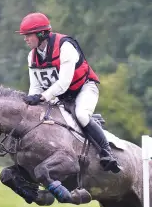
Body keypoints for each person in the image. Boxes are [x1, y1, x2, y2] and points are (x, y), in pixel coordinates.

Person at [17, 12, 121, 173]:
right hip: (59, 96)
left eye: (28, 35)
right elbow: (36, 86)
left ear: (40, 33)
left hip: (84, 88)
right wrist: (32, 103)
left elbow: (64, 83)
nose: (25, 39)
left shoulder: (65, 47)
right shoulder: (32, 56)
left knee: (81, 115)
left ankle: (106, 152)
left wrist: (42, 97)